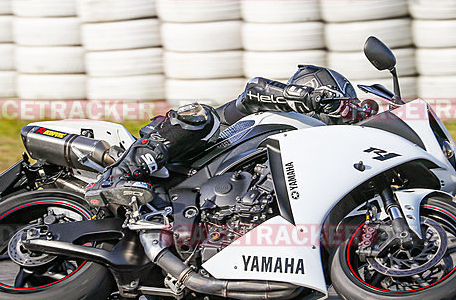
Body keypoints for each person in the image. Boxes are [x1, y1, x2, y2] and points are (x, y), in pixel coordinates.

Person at [85, 65, 360, 207]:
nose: (341, 112)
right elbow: (253, 90)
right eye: (338, 103)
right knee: (200, 116)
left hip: (206, 197)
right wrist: (308, 99)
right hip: (180, 159)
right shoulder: (268, 109)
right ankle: (117, 176)